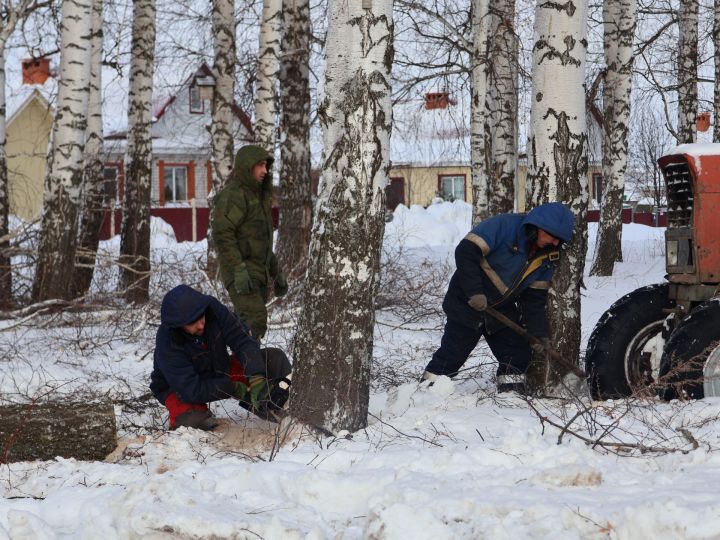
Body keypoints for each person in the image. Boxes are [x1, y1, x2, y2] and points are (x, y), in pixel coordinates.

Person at [422, 202, 575, 393]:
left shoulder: (548, 256)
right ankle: (424, 392)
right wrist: (474, 292)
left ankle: (511, 395)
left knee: (516, 354)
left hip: (501, 308)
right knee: (453, 354)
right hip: (466, 301)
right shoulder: (503, 226)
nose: (555, 244)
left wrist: (538, 334)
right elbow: (465, 252)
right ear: (538, 227)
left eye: (560, 240)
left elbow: (534, 298)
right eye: (553, 237)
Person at [150, 284, 291, 430]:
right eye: (192, 323)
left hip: (218, 368)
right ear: (178, 325)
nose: (201, 325)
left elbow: (242, 339)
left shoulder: (212, 308)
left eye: (201, 317)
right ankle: (197, 417)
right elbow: (191, 390)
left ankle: (273, 406)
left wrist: (256, 377)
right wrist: (232, 387)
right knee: (193, 421)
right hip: (179, 387)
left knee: (274, 359)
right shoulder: (167, 342)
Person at [211, 145, 288, 340]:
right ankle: (251, 370)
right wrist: (238, 269)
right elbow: (223, 234)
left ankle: (233, 367)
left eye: (266, 166)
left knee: (243, 327)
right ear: (247, 166)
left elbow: (261, 242)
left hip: (257, 272)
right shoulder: (234, 195)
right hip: (241, 272)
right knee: (254, 321)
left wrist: (276, 272)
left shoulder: (259, 197)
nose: (265, 171)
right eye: (260, 165)